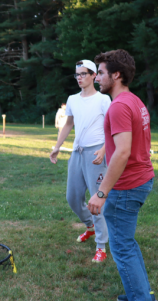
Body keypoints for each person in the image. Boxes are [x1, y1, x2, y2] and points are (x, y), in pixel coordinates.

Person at [87, 49, 156, 301]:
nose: (97, 78)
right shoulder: (134, 101)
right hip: (140, 179)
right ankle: (139, 294)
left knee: (122, 248)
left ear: (116, 75)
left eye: (101, 73)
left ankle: (140, 298)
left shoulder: (118, 106)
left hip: (127, 187)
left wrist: (101, 193)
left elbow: (123, 151)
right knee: (127, 244)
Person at [50, 59, 111, 263]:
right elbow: (68, 124)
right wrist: (57, 147)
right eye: (77, 74)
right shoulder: (73, 99)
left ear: (94, 75)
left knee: (96, 200)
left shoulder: (104, 100)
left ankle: (101, 246)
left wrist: (103, 150)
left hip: (96, 154)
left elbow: (111, 129)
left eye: (83, 74)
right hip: (77, 152)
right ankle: (90, 226)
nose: (79, 77)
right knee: (72, 198)